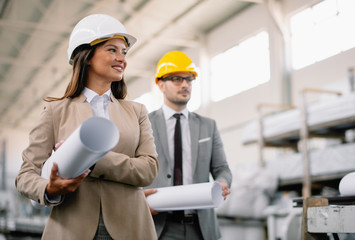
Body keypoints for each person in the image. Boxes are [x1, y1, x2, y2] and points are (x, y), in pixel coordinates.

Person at [15, 14, 158, 240]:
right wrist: (49, 189)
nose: (122, 58)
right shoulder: (55, 111)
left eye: (124, 52)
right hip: (71, 229)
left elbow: (149, 169)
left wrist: (94, 159)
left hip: (131, 228)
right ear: (87, 56)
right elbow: (25, 175)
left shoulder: (137, 112)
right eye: (112, 50)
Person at [144, 51, 232, 240]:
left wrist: (223, 182)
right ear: (160, 84)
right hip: (159, 227)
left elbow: (222, 168)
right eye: (176, 79)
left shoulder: (208, 126)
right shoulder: (144, 124)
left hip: (200, 228)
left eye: (189, 79)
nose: (185, 85)